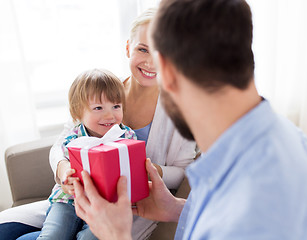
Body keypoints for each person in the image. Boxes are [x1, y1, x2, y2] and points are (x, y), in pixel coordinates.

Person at [73, 0, 307, 239]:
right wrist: (177, 209)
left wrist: (116, 236)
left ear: (165, 72)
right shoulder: (278, 137)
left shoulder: (252, 207)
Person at [0, 8, 196, 240]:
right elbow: (63, 143)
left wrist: (144, 169)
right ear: (127, 49)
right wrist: (64, 171)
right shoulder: (103, 88)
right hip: (72, 199)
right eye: (142, 49)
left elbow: (184, 173)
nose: (151, 61)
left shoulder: (181, 110)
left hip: (127, 211)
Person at [38, 68, 139, 240]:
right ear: (78, 113)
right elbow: (64, 169)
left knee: (91, 238)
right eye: (98, 108)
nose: (109, 115)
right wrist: (67, 179)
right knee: (53, 235)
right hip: (68, 201)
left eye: (116, 106)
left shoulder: (127, 136)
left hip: (107, 206)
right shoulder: (73, 139)